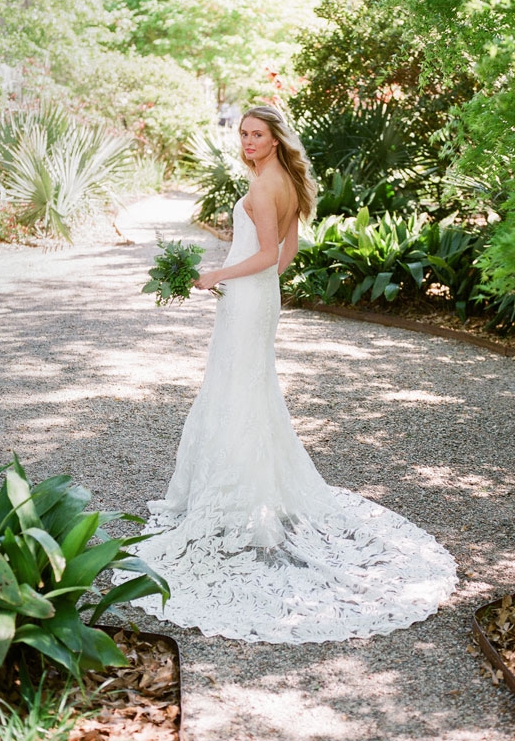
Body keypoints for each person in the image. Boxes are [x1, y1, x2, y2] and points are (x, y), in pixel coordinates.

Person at [123, 106, 457, 643]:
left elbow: (261, 256)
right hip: (261, 298)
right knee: (247, 388)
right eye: (243, 134)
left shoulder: (262, 189)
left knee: (235, 390)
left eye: (257, 135)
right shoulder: (284, 183)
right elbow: (287, 251)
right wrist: (256, 287)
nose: (248, 142)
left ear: (276, 140)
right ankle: (253, 489)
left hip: (248, 294)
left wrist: (216, 276)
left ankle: (236, 499)